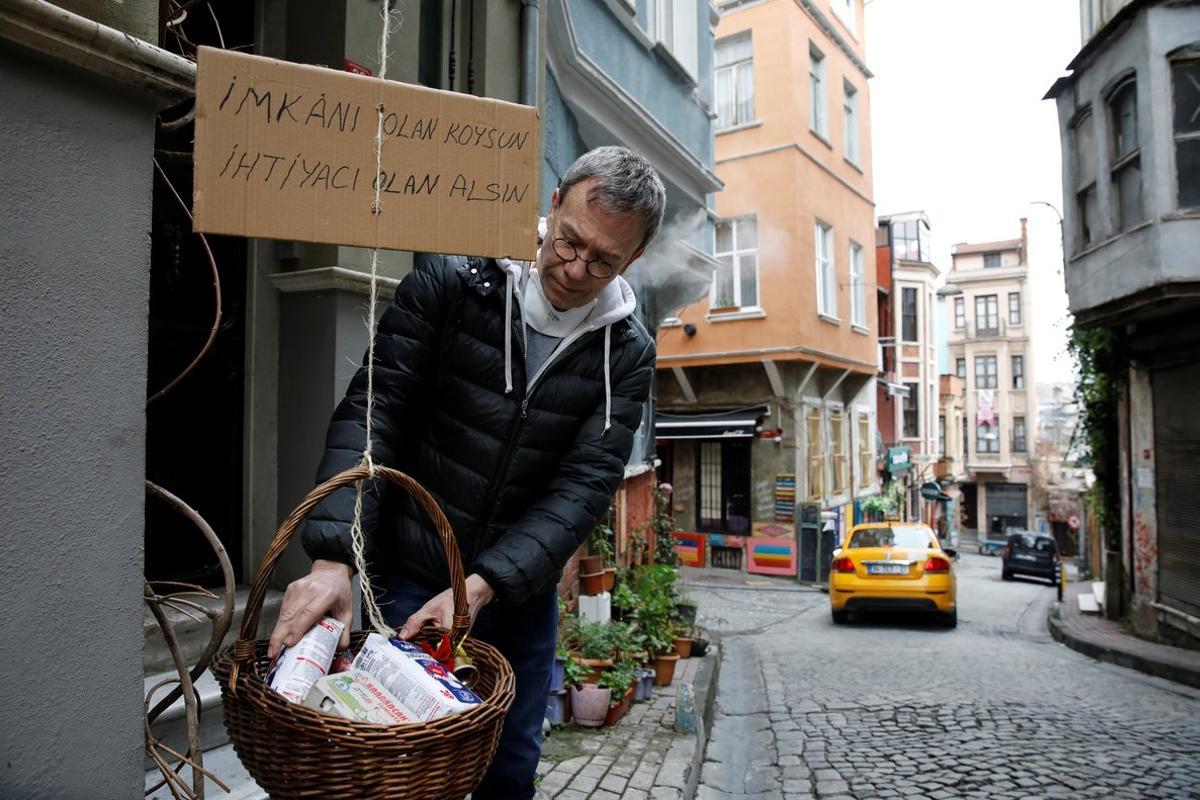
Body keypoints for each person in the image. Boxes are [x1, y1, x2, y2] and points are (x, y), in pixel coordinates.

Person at [268, 146, 665, 799]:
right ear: (553, 203)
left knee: (508, 772)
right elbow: (375, 412)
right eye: (569, 243)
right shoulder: (451, 283)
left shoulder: (626, 353)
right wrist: (335, 557)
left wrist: (482, 586)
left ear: (633, 261)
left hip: (514, 595)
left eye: (602, 262)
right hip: (408, 574)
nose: (573, 269)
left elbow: (584, 487)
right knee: (402, 771)